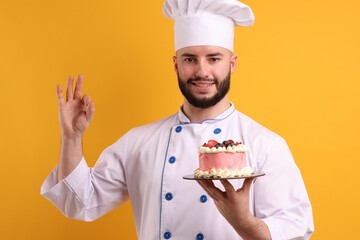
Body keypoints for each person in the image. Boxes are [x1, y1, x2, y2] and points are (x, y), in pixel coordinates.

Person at [41, 0, 314, 239]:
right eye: (190, 59)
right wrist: (71, 137)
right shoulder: (139, 142)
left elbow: (295, 229)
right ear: (175, 64)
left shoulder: (265, 144)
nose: (202, 71)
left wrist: (243, 223)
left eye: (214, 58)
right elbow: (79, 203)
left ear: (232, 64)